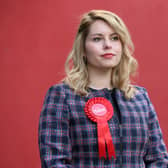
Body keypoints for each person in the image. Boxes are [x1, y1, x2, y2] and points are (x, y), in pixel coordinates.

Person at [38, 9, 168, 167]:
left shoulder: (140, 98)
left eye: (115, 38)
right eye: (97, 39)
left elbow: (158, 159)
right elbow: (54, 162)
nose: (108, 45)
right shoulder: (63, 96)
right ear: (83, 49)